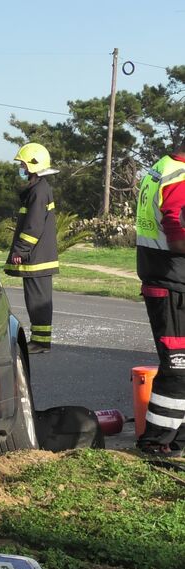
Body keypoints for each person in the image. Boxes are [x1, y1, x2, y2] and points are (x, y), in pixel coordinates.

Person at [134, 138, 185, 456]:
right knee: (178, 368)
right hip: (172, 282)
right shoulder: (179, 177)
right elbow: (177, 235)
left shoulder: (160, 169)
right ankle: (155, 441)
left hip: (163, 278)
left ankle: (175, 440)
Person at [5, 143, 59, 354]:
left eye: (22, 164)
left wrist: (21, 250)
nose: (20, 168)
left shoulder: (38, 191)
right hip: (38, 257)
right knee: (37, 299)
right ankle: (39, 340)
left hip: (37, 258)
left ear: (32, 165)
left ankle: (40, 342)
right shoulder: (39, 189)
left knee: (38, 301)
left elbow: (33, 226)